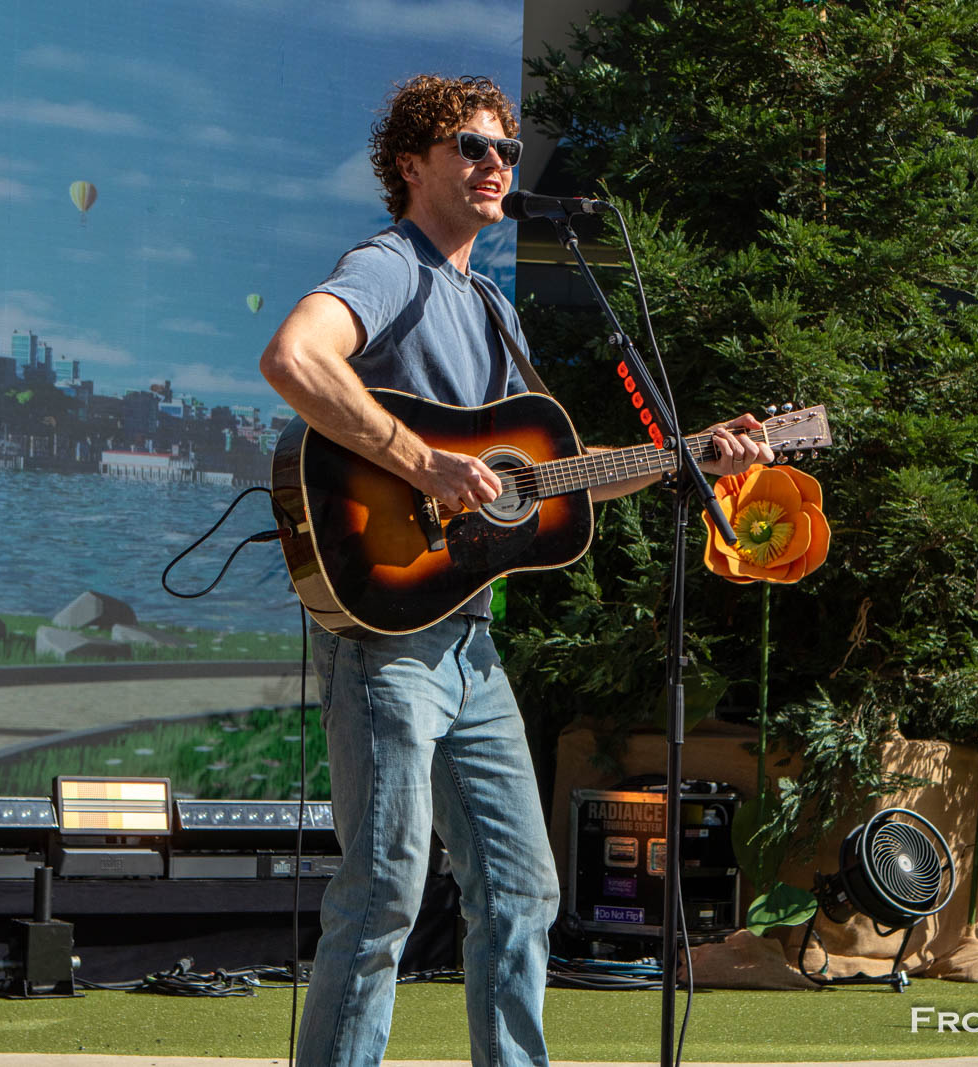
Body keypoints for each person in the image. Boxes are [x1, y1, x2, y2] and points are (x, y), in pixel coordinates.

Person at [258, 74, 772, 1067]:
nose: (495, 163)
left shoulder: (492, 306)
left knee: (522, 889)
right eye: (470, 145)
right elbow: (294, 359)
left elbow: (549, 478)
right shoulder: (389, 267)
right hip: (389, 640)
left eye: (504, 148)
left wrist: (690, 455)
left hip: (472, 648)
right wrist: (420, 462)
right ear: (410, 165)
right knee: (383, 890)